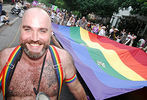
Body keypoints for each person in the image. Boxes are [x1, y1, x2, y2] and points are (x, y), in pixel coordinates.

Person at [0, 7, 87, 100]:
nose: (34, 38)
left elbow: (77, 90)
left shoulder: (63, 60)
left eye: (42, 31)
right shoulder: (4, 59)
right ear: (20, 30)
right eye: (28, 29)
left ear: (50, 33)